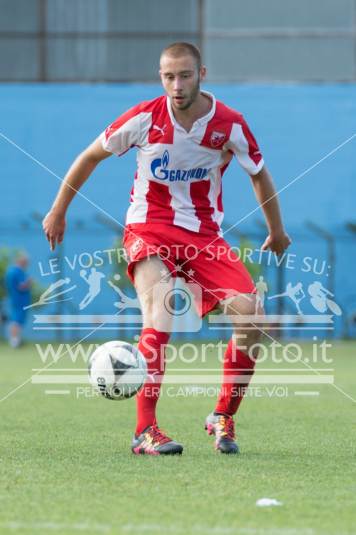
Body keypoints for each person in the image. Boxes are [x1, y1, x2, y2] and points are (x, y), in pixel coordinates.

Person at [43, 42, 291, 455]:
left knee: (251, 315)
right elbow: (89, 157)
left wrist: (277, 230)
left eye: (184, 76)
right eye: (168, 76)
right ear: (160, 77)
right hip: (149, 227)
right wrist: (58, 210)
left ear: (202, 74)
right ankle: (145, 430)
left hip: (203, 235)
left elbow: (259, 174)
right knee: (161, 310)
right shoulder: (144, 118)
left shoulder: (229, 124)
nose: (176, 86)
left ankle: (222, 415)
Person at [5, 252, 32, 347]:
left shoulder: (11, 271)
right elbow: (21, 286)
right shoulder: (16, 272)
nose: (27, 264)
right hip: (19, 300)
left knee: (17, 320)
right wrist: (29, 282)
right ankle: (14, 341)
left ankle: (16, 340)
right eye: (26, 262)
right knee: (16, 320)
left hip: (16, 299)